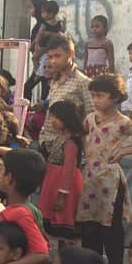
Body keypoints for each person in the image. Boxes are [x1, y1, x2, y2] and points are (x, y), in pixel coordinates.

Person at [76, 74, 132, 264]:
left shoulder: (123, 122)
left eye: (100, 96)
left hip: (111, 183)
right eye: (93, 95)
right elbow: (83, 134)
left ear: (114, 97)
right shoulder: (90, 118)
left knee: (111, 232)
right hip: (90, 181)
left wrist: (123, 152)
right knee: (89, 229)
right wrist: (87, 150)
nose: (95, 100)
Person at [37, 34, 94, 156]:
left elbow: (91, 118)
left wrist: (74, 137)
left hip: (67, 148)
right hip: (47, 142)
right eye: (50, 57)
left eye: (57, 56)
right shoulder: (54, 80)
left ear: (70, 54)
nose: (53, 61)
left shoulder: (82, 82)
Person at [38, 100, 84, 245]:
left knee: (62, 217)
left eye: (57, 118)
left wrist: (62, 194)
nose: (53, 120)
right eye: (52, 117)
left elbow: (69, 168)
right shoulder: (61, 137)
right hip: (53, 180)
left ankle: (66, 251)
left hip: (63, 184)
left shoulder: (71, 140)